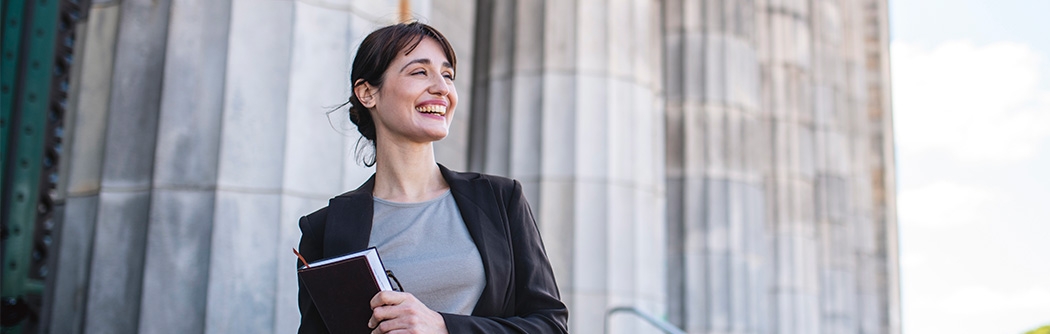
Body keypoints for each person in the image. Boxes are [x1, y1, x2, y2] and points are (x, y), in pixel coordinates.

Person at [296, 22, 568, 334]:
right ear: (368, 93)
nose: (442, 87)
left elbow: (550, 326)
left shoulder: (500, 200)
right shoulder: (325, 230)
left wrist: (443, 327)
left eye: (448, 75)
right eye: (419, 72)